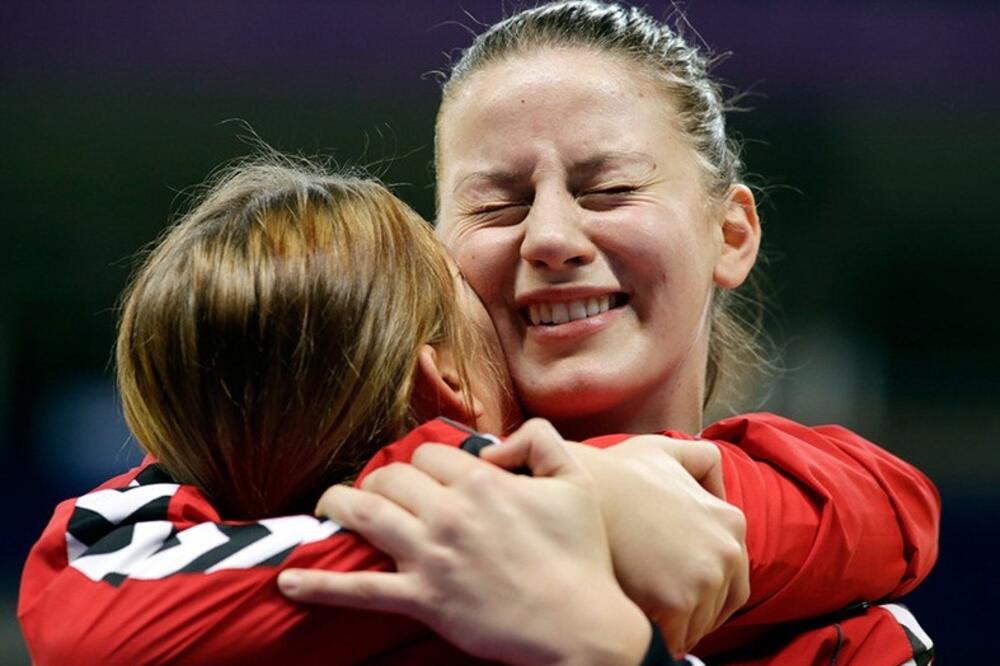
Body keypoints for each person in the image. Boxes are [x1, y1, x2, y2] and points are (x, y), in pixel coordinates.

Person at [19, 1, 939, 664]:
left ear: (731, 232)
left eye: (608, 189)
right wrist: (573, 505)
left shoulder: (847, 607)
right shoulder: (260, 483)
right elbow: (78, 609)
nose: (548, 237)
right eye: (496, 204)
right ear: (440, 252)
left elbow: (898, 511)